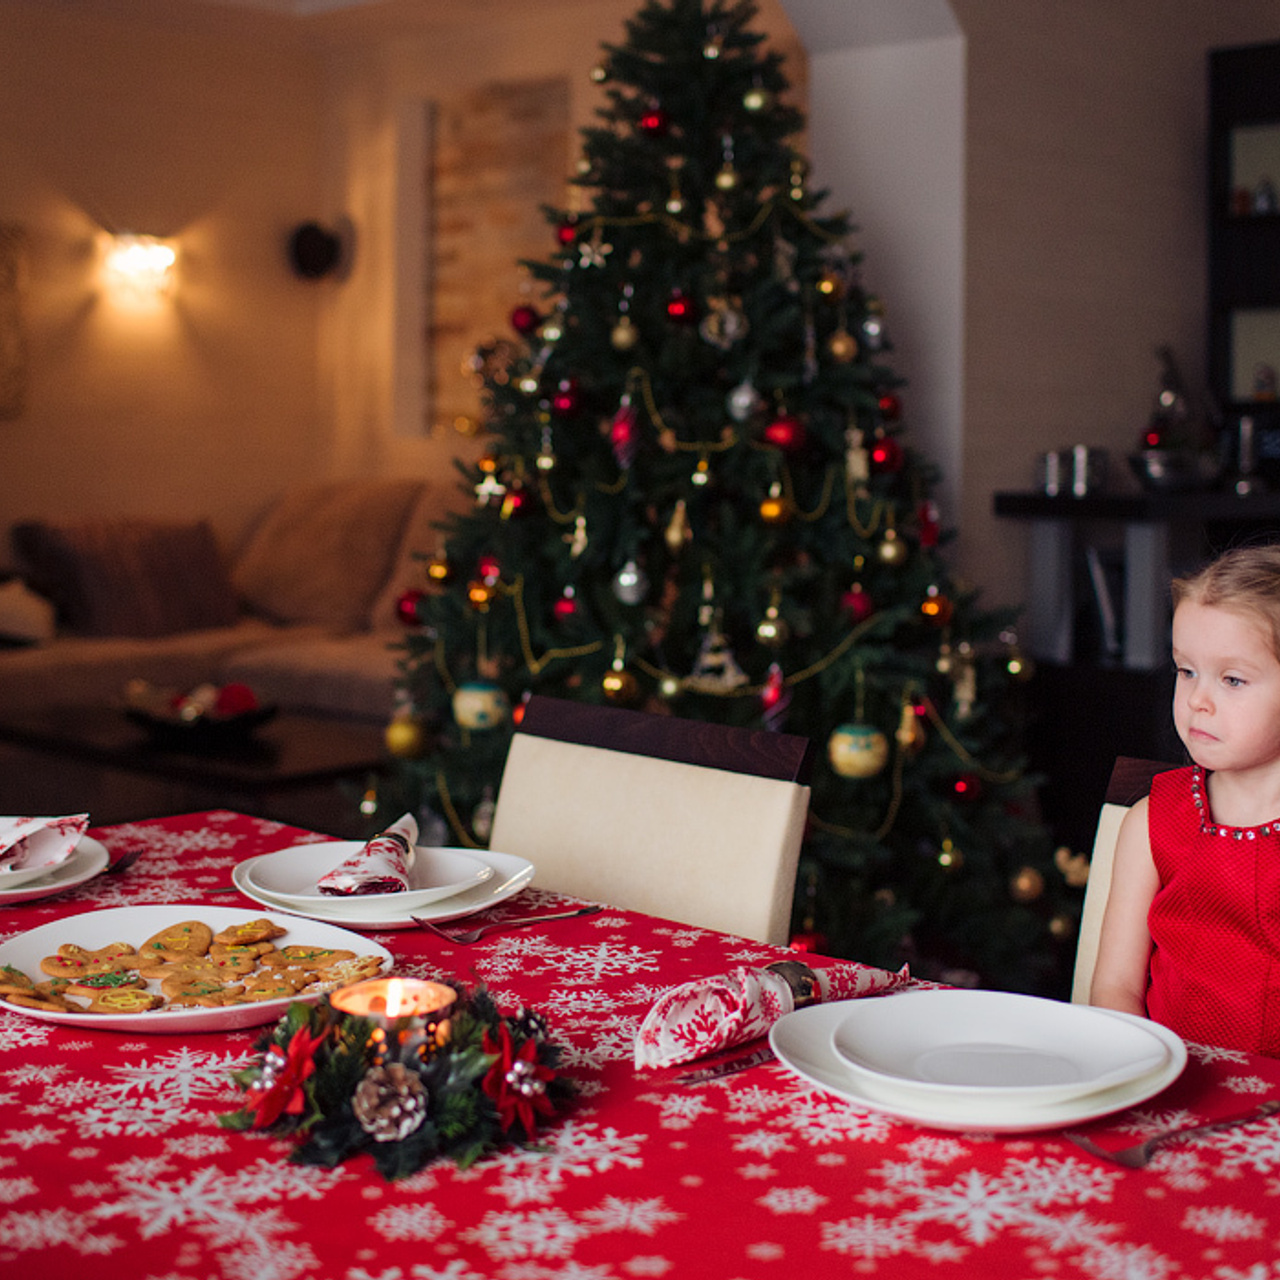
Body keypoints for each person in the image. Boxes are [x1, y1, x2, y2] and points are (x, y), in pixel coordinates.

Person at [1090, 544, 1280, 1055]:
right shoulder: (1151, 821)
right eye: (1186, 671)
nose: (1197, 699)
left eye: (1232, 679)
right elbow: (1114, 987)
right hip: (1168, 1079)